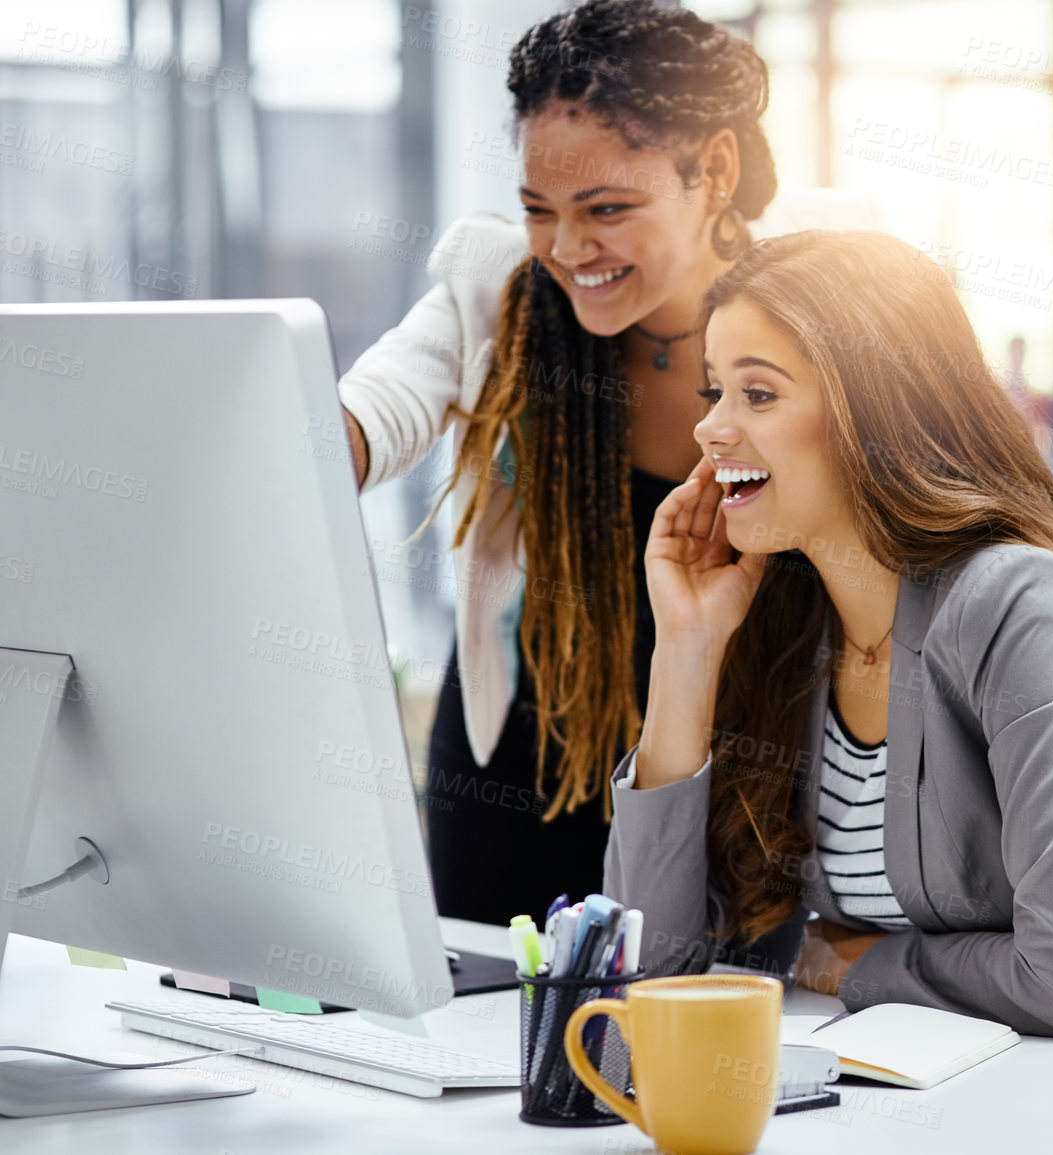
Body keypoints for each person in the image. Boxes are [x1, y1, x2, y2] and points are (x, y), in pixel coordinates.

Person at [604, 230, 1053, 1047]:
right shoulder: (785, 626)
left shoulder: (1017, 604)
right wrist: (684, 649)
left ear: (876, 407)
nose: (710, 430)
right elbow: (648, 978)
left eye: (757, 395)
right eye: (713, 390)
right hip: (922, 1096)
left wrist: (861, 966)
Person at [335, 0, 785, 925]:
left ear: (715, 171)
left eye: (607, 209)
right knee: (493, 1049)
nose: (568, 249)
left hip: (719, 773)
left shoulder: (802, 324)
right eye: (540, 209)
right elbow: (369, 410)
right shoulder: (501, 294)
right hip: (515, 766)